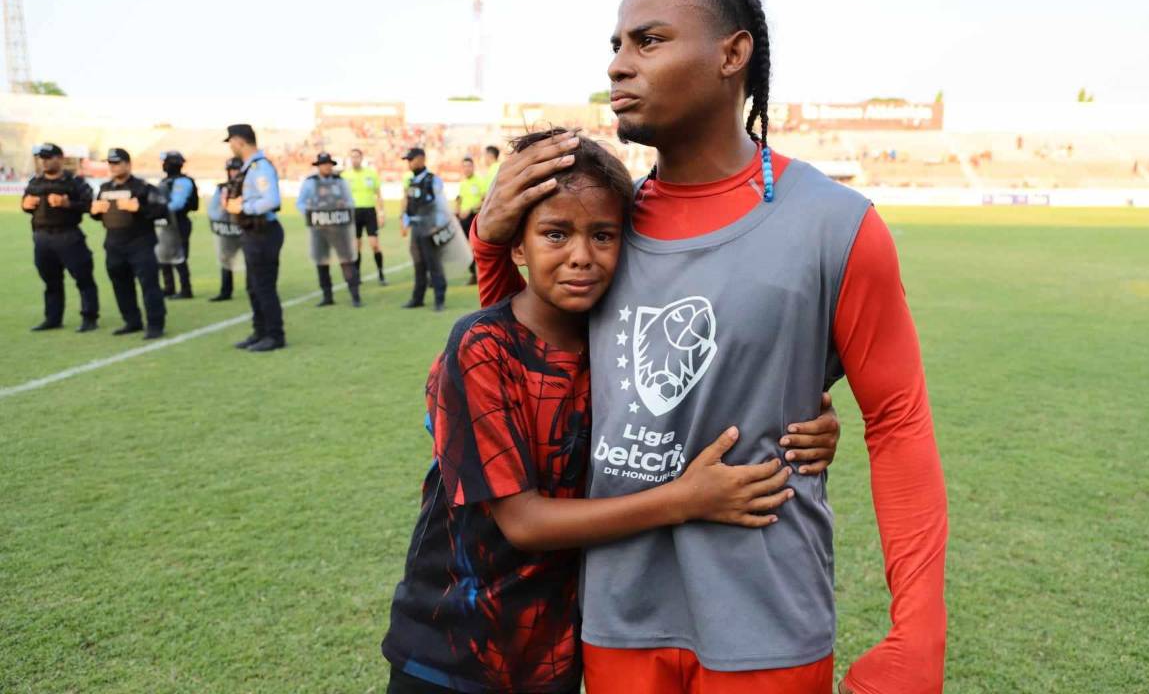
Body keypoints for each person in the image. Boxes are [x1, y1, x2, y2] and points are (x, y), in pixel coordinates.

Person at [472, 0, 948, 694]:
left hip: (768, 620)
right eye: (616, 45)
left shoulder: (834, 225)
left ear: (732, 54)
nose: (617, 65)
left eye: (648, 41)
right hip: (616, 617)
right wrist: (487, 243)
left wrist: (918, 633)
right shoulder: (606, 230)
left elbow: (898, 422)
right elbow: (513, 357)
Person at [381, 129, 841, 694]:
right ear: (517, 247)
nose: (581, 257)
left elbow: (711, 396)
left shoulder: (615, 341)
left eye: (603, 235)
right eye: (555, 234)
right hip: (453, 646)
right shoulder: (479, 346)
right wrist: (686, 500)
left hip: (558, 650)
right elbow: (523, 522)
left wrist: (807, 420)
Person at [21, 142, 100, 332]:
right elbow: (25, 204)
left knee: (83, 278)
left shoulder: (75, 182)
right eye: (42, 159)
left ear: (60, 159)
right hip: (42, 237)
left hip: (68, 235)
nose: (45, 162)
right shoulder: (35, 182)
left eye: (49, 158)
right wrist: (26, 204)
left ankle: (89, 317)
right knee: (50, 280)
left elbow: (90, 205)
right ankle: (53, 318)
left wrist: (68, 204)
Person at [90, 148, 169, 339]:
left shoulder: (143, 187)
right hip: (114, 244)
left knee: (149, 285)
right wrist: (94, 211)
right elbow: (100, 215)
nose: (113, 166)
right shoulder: (105, 188)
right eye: (110, 163)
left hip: (140, 243)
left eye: (117, 163)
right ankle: (131, 321)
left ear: (128, 164)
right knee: (121, 285)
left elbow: (162, 210)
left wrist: (139, 208)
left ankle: (155, 325)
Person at [223, 123, 286, 352]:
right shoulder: (251, 167)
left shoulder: (260, 167)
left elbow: (271, 200)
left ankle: (274, 335)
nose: (230, 146)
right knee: (253, 286)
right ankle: (260, 332)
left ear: (239, 141)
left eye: (230, 141)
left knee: (264, 286)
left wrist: (243, 207)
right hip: (253, 232)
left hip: (264, 232)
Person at [297, 152, 362, 307]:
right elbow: (300, 203)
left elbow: (350, 202)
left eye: (328, 164)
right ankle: (327, 296)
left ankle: (355, 295)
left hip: (339, 228)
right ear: (318, 166)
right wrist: (309, 211)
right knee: (322, 261)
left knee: (346, 261)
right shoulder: (309, 182)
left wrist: (343, 206)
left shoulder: (340, 182)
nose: (326, 167)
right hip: (319, 228)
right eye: (323, 164)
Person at [400, 147, 450, 311]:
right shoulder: (412, 181)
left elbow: (441, 205)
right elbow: (410, 205)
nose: (409, 163)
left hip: (430, 227)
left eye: (411, 159)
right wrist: (405, 221)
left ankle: (439, 299)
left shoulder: (433, 180)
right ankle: (418, 298)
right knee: (419, 264)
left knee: (433, 264)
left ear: (421, 159)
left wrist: (437, 226)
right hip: (416, 228)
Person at [341, 148, 388, 285]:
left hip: (369, 211)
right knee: (356, 246)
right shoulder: (345, 176)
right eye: (352, 157)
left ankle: (381, 273)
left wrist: (381, 213)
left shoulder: (371, 174)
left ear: (361, 158)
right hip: (353, 212)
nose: (355, 159)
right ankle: (357, 275)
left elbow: (378, 194)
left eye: (357, 157)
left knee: (374, 245)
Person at [157, 150, 199, 299]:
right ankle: (169, 288)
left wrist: (157, 209)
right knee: (163, 253)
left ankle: (186, 289)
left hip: (178, 222)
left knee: (179, 256)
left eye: (166, 162)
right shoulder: (166, 181)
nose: (163, 165)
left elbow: (177, 204)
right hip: (165, 223)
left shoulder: (182, 182)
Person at [208, 157, 244, 302]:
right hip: (227, 228)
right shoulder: (222, 188)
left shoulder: (249, 186)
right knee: (225, 258)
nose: (234, 173)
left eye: (236, 169)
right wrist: (223, 213)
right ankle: (225, 290)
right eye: (231, 170)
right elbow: (213, 209)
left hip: (244, 227)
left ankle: (253, 287)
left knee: (251, 259)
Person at [455, 156, 486, 284]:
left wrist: (470, 209)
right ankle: (473, 273)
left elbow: (485, 199)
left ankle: (479, 274)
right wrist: (457, 210)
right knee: (464, 248)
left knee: (473, 247)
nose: (467, 169)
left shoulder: (479, 181)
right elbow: (459, 199)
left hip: (474, 217)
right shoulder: (463, 183)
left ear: (473, 167)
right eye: (464, 166)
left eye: (469, 166)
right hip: (463, 218)